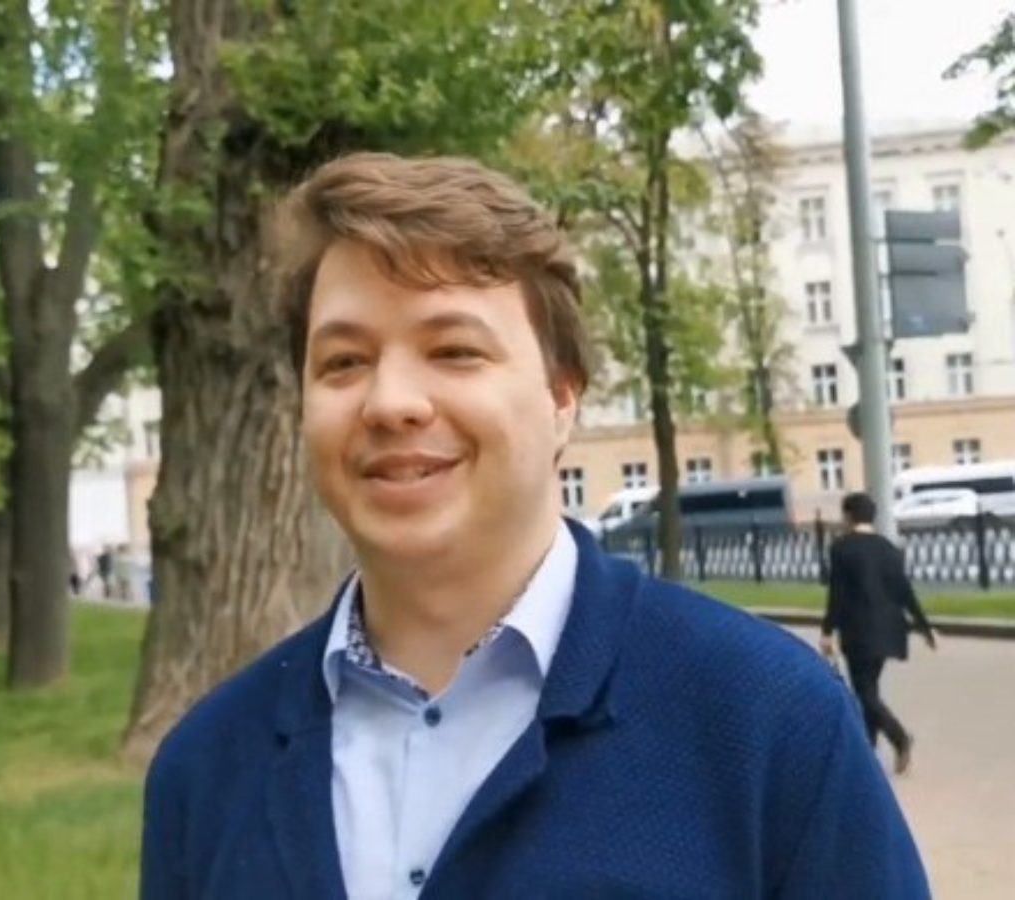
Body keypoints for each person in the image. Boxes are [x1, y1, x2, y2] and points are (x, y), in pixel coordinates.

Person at [140, 153, 929, 898]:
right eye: (344, 362)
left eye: (454, 350)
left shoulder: (766, 722)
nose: (390, 402)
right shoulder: (205, 770)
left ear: (562, 399)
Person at [820, 491, 937, 775]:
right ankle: (868, 753)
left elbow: (838, 594)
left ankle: (899, 737)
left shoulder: (842, 548)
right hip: (890, 630)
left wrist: (827, 630)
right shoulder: (889, 548)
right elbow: (904, 591)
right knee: (869, 689)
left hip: (859, 631)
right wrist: (924, 626)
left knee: (865, 693)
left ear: (848, 516)